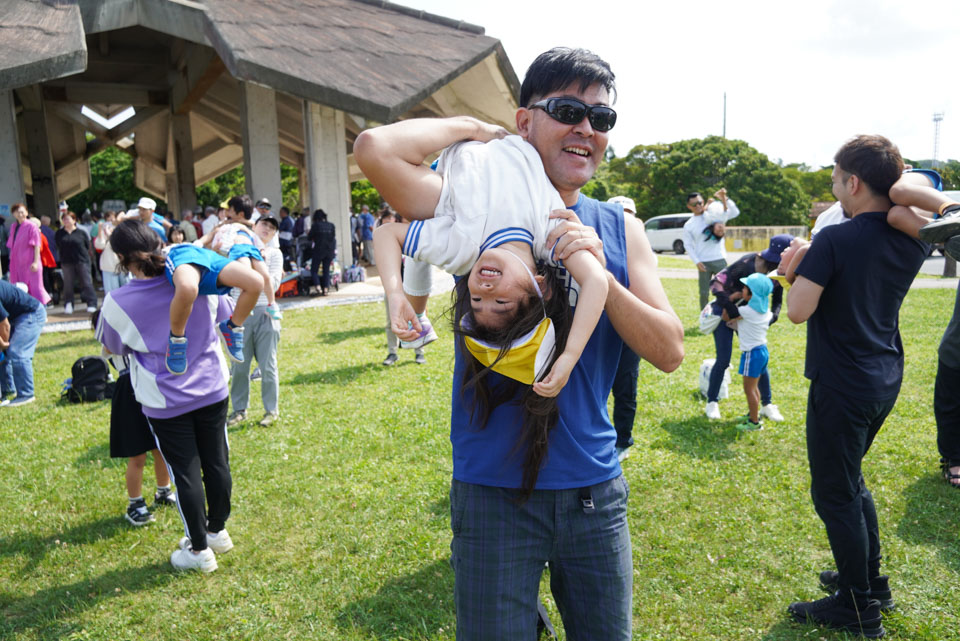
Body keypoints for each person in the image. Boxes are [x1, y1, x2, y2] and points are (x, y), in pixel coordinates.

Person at [355, 46, 684, 640]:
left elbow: (669, 351)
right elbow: (378, 148)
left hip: (593, 491)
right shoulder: (476, 206)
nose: (587, 128)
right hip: (492, 490)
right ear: (526, 121)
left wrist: (600, 273)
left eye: (602, 118)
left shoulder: (620, 227)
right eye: (566, 110)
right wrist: (474, 130)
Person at [785, 135, 928, 637]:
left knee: (834, 493)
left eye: (834, 179)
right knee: (852, 481)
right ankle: (869, 580)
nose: (833, 189)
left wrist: (790, 274)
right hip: (883, 376)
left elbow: (798, 312)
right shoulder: (914, 236)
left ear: (854, 181)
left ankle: (856, 604)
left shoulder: (835, 239)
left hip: (842, 384)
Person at [368, 129, 610, 398]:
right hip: (510, 135)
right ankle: (420, 316)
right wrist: (570, 355)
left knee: (370, 149)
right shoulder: (550, 235)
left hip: (458, 152)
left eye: (477, 301)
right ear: (540, 287)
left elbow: (386, 234)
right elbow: (596, 281)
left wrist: (394, 294)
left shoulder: (460, 250)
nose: (484, 289)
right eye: (501, 303)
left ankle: (419, 315)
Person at [96, 219, 235, 572]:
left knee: (185, 473)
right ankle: (216, 530)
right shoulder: (195, 274)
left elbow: (113, 345)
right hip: (212, 385)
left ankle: (200, 550)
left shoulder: (118, 300)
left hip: (165, 399)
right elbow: (226, 313)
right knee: (217, 462)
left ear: (121, 259)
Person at [163, 197, 267, 375]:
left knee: (256, 282)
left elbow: (258, 228)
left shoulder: (244, 227)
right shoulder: (220, 226)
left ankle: (233, 327)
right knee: (189, 288)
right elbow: (206, 239)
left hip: (216, 260)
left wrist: (241, 225)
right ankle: (177, 339)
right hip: (193, 254)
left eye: (230, 210)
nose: (227, 213)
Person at [703, 235, 790, 421]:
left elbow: (777, 301)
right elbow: (716, 284)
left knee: (760, 363)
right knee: (724, 359)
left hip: (749, 318)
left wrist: (771, 318)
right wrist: (732, 309)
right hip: (727, 311)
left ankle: (767, 404)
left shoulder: (779, 273)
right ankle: (712, 402)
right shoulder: (747, 263)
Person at [226, 215, 284, 428]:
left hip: (265, 313)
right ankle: (239, 410)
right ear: (254, 226)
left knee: (268, 365)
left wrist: (258, 264)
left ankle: (271, 410)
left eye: (272, 227)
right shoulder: (237, 247)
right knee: (239, 365)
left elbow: (274, 283)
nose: (267, 229)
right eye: (264, 224)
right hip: (240, 312)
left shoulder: (274, 254)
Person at [607, 195, 640, 461]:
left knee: (626, 387)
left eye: (628, 214)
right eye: (618, 214)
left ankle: (623, 439)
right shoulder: (594, 245)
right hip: (599, 330)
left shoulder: (643, 256)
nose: (624, 219)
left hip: (629, 333)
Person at [375, 211, 428, 366]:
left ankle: (419, 352)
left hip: (414, 288)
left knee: (418, 318)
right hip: (394, 289)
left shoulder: (420, 237)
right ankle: (392, 352)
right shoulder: (392, 238)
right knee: (392, 321)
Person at [723, 272, 773, 431]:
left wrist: (731, 299)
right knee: (754, 387)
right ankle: (753, 413)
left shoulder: (745, 311)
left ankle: (754, 423)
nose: (742, 290)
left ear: (751, 293)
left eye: (745, 288)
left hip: (752, 354)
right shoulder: (766, 311)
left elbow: (726, 317)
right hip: (762, 351)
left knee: (749, 389)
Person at [682, 189, 741, 309]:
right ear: (689, 206)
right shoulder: (689, 224)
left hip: (719, 258)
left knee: (726, 288)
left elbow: (735, 212)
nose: (698, 206)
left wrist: (725, 198)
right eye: (694, 204)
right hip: (703, 262)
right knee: (704, 293)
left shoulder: (714, 214)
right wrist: (696, 261)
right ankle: (704, 318)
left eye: (700, 202)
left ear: (703, 202)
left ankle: (727, 313)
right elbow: (687, 245)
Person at [0, 278, 47, 407]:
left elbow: (4, 326)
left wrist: (3, 345)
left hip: (31, 313)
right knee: (5, 351)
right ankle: (8, 389)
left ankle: (26, 394)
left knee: (16, 351)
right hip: (14, 317)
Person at [5, 204, 51, 306]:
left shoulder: (32, 226)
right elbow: (12, 245)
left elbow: (36, 245)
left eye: (22, 211)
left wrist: (35, 262)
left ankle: (41, 309)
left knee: (35, 287)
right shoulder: (13, 226)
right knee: (20, 286)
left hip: (30, 261)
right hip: (17, 262)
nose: (20, 214)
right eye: (17, 212)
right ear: (13, 214)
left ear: (26, 212)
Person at [55, 211, 98, 314]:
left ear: (74, 220)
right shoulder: (59, 233)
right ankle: (68, 303)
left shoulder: (81, 232)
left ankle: (91, 303)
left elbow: (87, 246)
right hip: (67, 261)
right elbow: (58, 246)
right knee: (68, 284)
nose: (66, 221)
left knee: (86, 282)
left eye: (68, 219)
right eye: (64, 219)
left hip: (82, 260)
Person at [307, 209, 336, 296]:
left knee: (314, 270)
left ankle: (318, 287)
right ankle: (326, 289)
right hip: (329, 250)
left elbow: (309, 237)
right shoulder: (331, 225)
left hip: (319, 250)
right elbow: (333, 237)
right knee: (326, 270)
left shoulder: (315, 225)